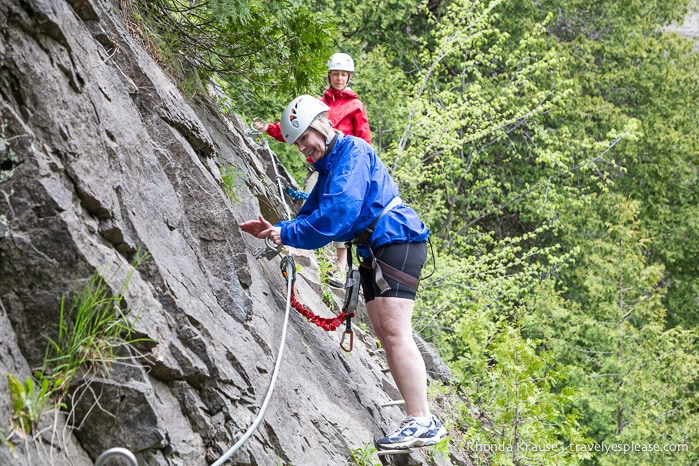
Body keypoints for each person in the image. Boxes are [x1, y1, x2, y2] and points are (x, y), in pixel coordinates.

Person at [240, 95, 447, 450]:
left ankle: (423, 420)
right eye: (298, 144)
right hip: (376, 245)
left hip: (395, 237)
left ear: (321, 124)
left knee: (395, 331)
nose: (304, 149)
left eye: (306, 138)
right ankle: (418, 417)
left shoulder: (353, 152)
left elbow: (339, 214)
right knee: (385, 331)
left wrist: (287, 233)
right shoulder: (328, 166)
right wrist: (279, 228)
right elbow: (313, 212)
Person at [253, 53, 371, 281]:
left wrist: (359, 169)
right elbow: (297, 132)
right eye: (335, 74)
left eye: (343, 75)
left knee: (341, 203)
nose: (339, 78)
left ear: (349, 77)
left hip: (346, 165)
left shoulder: (355, 106)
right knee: (310, 200)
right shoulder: (319, 104)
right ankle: (308, 249)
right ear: (330, 75)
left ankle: (340, 265)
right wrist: (268, 128)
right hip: (321, 166)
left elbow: (363, 140)